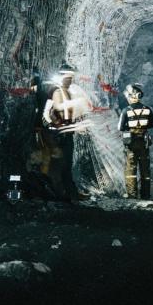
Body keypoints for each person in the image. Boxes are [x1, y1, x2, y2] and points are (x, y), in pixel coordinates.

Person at [42, 62, 84, 201]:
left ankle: (69, 194)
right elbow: (46, 114)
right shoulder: (54, 91)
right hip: (56, 135)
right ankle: (59, 194)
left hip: (67, 134)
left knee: (66, 165)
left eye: (71, 78)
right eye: (68, 77)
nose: (70, 80)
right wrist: (56, 127)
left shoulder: (68, 93)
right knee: (57, 165)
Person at [118, 83, 153, 199]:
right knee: (145, 169)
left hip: (131, 143)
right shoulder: (147, 109)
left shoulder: (125, 111)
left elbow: (120, 127)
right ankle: (145, 194)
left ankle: (132, 195)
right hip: (144, 143)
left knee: (131, 169)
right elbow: (152, 124)